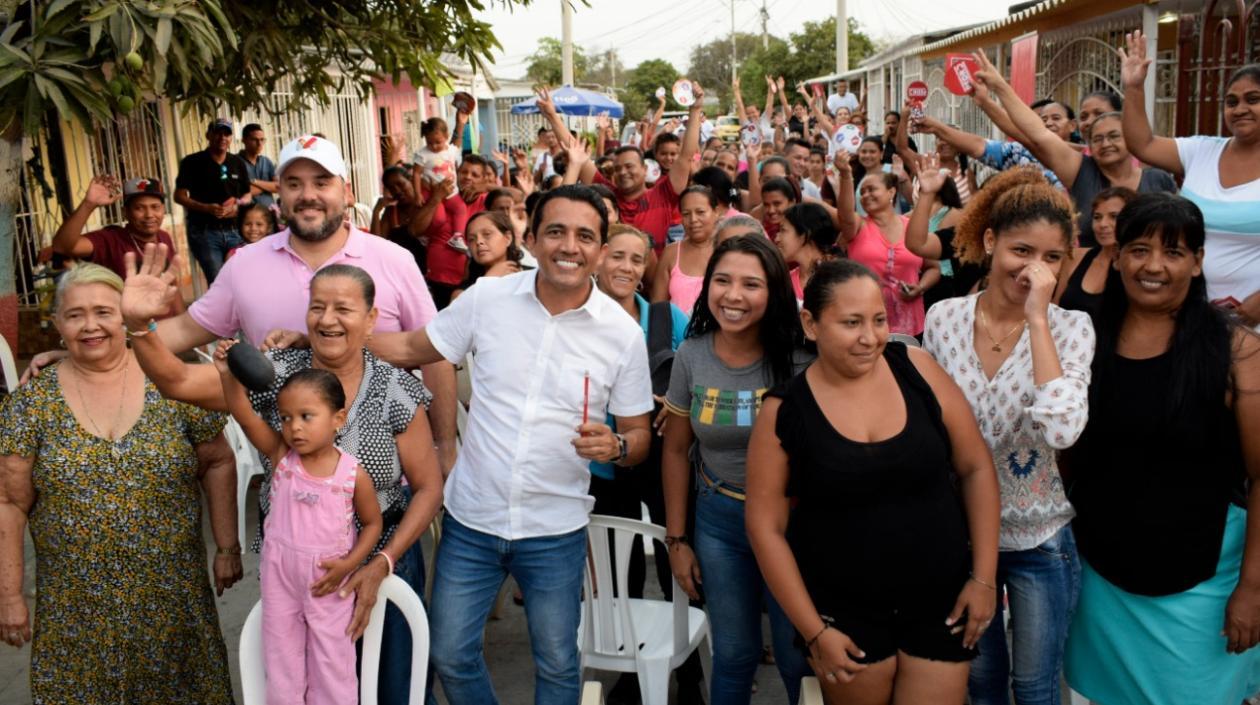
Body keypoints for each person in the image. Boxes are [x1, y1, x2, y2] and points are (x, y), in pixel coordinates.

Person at [365, 185, 654, 703]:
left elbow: (640, 437)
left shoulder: (622, 334)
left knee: (559, 665)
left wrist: (616, 445)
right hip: (471, 522)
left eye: (585, 236)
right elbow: (411, 346)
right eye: (556, 232)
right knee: (449, 654)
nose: (570, 246)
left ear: (600, 250)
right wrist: (328, 340)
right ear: (533, 240)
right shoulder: (487, 300)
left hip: (555, 530)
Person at [121, 256, 444, 705]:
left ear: (371, 319)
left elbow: (428, 488)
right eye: (317, 307)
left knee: (393, 691)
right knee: (295, 684)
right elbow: (177, 381)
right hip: (298, 573)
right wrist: (139, 327)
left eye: (344, 309)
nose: (327, 319)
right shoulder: (275, 375)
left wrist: (381, 564)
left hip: (385, 563)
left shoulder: (395, 389)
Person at [746, 259, 1001, 705]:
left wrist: (983, 578)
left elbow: (976, 467)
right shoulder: (783, 411)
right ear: (811, 324)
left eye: (879, 320)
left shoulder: (917, 369)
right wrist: (814, 631)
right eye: (851, 323)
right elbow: (765, 527)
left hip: (940, 601)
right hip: (843, 613)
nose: (870, 337)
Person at [0, 264, 240, 704]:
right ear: (57, 324)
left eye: (104, 312)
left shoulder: (170, 381)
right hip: (75, 614)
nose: (90, 325)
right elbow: (8, 502)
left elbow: (218, 460)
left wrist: (227, 547)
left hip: (175, 602)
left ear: (125, 318)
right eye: (75, 315)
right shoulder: (30, 404)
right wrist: (10, 595)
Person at [1056, 193, 1260, 704]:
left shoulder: (1237, 349)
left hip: (1204, 585)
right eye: (1139, 249)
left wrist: (1253, 588)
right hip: (1101, 579)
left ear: (1197, 261)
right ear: (1117, 256)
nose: (1153, 266)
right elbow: (1064, 455)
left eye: (1173, 252)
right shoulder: (1082, 339)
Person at [921, 166, 1095, 705]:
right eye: (1022, 250)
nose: (1035, 269)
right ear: (991, 241)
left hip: (1039, 537)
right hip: (962, 537)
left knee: (1036, 688)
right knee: (982, 682)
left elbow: (1062, 429)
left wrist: (1038, 320)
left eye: (1052, 258)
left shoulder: (1072, 328)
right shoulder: (944, 318)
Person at [661, 235, 813, 705]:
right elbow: (676, 451)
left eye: (751, 284)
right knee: (732, 654)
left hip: (792, 525)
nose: (733, 295)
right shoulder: (692, 355)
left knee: (796, 655)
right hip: (719, 522)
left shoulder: (804, 357)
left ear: (775, 292)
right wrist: (677, 540)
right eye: (722, 280)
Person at [218, 350, 383, 705]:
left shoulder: (352, 475)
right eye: (286, 417)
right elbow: (243, 413)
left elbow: (373, 523)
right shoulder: (282, 457)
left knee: (332, 664)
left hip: (328, 580)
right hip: (280, 578)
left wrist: (350, 563)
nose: (294, 427)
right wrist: (227, 374)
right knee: (282, 661)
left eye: (307, 416)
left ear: (338, 418)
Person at [590, 223, 701, 704]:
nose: (627, 267)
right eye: (618, 256)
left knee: (681, 559)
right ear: (599, 257)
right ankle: (632, 672)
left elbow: (697, 368)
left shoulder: (663, 317)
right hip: (603, 463)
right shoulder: (578, 317)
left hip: (663, 458)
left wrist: (674, 403)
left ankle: (691, 674)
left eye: (637, 259)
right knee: (623, 565)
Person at [1120, 34, 1260, 326]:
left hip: (1252, 320)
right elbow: (1141, 144)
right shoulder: (1201, 151)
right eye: (1231, 102)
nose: (1240, 109)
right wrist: (1133, 88)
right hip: (1189, 313)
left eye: (1253, 99)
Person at [971, 52, 1176, 248]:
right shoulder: (1080, 170)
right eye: (1097, 139)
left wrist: (1134, 87)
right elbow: (1036, 134)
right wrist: (999, 87)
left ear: (1130, 137)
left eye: (1114, 136)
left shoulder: (1158, 178)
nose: (1106, 144)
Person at [561, 84, 703, 253]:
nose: (623, 172)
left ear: (645, 169)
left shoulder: (663, 194)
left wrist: (695, 110)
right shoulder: (608, 196)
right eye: (617, 168)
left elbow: (685, 156)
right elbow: (577, 153)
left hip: (655, 270)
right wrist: (551, 115)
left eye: (629, 166)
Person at [50, 174, 185, 317]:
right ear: (126, 212)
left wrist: (183, 321)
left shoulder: (164, 237)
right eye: (139, 208)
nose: (149, 214)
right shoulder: (110, 239)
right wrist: (88, 204)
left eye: (155, 207)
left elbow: (172, 285)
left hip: (168, 325)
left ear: (163, 209)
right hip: (132, 326)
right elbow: (62, 246)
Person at [837, 164, 939, 337]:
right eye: (862, 192)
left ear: (891, 192)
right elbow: (844, 215)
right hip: (865, 326)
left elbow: (933, 268)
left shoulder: (912, 227)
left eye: (871, 189)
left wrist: (920, 287)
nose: (865, 195)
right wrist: (846, 175)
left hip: (911, 326)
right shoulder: (857, 226)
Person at [174, 118, 252, 283]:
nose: (222, 137)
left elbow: (247, 194)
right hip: (205, 232)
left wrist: (237, 206)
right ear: (208, 135)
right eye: (218, 133)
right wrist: (206, 208)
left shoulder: (237, 162)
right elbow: (179, 196)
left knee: (243, 278)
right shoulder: (192, 162)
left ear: (231, 138)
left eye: (227, 134)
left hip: (235, 231)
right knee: (218, 281)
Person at [904, 153, 986, 310]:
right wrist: (927, 194)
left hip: (942, 281)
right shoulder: (964, 225)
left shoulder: (956, 215)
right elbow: (916, 244)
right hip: (932, 279)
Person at [1054, 187, 1138, 319]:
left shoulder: (1136, 267)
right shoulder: (1075, 256)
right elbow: (1055, 308)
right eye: (1097, 217)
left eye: (1114, 216)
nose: (1102, 224)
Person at [653, 186, 720, 316]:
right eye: (686, 214)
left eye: (700, 212)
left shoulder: (727, 251)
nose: (693, 219)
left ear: (716, 212)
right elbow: (658, 306)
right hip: (677, 329)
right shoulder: (671, 253)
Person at [453, 209, 523, 299]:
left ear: (508, 238)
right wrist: (488, 279)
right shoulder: (461, 293)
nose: (478, 241)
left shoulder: (529, 281)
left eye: (487, 234)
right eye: (471, 239)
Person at [778, 202, 838, 299]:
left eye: (783, 230)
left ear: (804, 235)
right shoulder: (786, 284)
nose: (777, 238)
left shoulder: (838, 277)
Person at [239, 123, 278, 209]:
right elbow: (239, 192)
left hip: (270, 212)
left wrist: (253, 181)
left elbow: (278, 187)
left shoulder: (266, 161)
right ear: (244, 140)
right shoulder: (235, 162)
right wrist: (268, 186)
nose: (259, 143)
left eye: (262, 140)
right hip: (248, 213)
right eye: (254, 139)